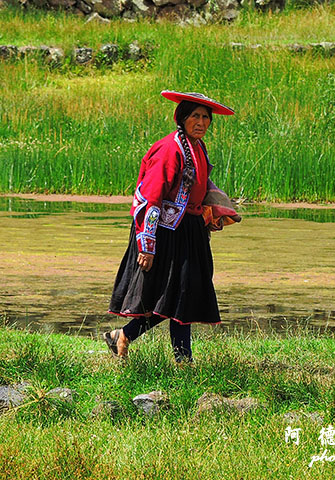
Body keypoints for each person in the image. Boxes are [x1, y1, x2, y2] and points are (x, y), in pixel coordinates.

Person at [105, 91, 236, 363]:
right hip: (164, 233)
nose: (201, 122)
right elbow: (150, 198)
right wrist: (147, 245)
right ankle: (180, 359)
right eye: (195, 116)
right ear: (182, 118)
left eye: (205, 117)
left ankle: (126, 336)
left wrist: (215, 209)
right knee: (171, 296)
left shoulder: (197, 148)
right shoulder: (169, 149)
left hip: (189, 231)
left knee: (184, 296)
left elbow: (200, 186)